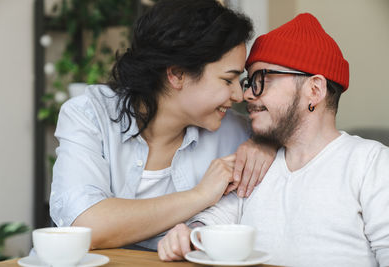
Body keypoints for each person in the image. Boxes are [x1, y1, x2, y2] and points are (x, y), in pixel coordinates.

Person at [158, 13, 389, 267]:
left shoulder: (371, 163)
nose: (246, 94)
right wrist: (188, 234)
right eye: (249, 82)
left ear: (314, 90)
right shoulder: (257, 162)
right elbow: (214, 221)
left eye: (261, 80)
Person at [50, 0, 277, 251]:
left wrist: (268, 145)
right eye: (228, 80)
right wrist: (199, 196)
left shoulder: (239, 134)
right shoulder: (89, 115)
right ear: (177, 74)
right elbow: (85, 226)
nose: (239, 94)